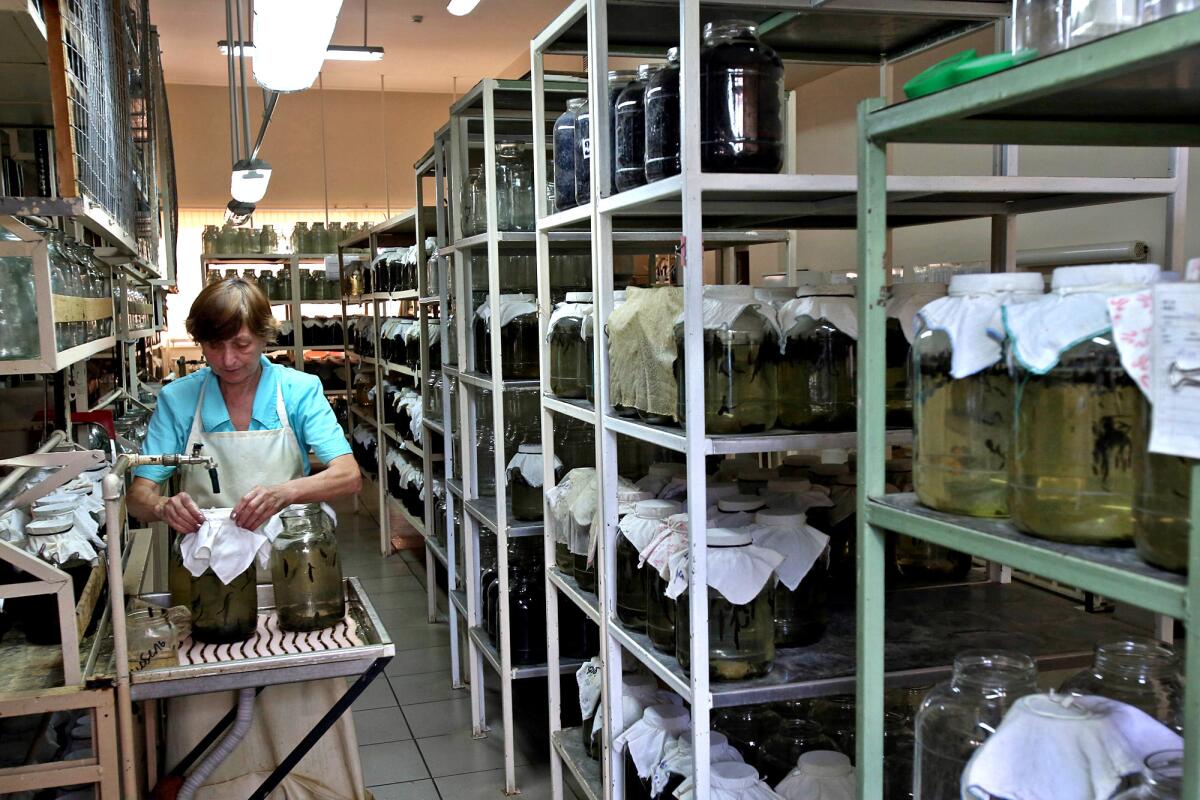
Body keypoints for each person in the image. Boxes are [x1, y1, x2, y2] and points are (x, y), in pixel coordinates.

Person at [128, 277, 367, 799]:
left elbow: (348, 475)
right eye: (215, 345)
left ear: (264, 337)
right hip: (210, 586)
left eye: (242, 344)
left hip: (290, 583)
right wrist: (165, 505)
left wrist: (286, 493)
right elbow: (138, 492)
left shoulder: (297, 391)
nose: (229, 359)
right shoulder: (179, 399)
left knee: (302, 706)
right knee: (208, 712)